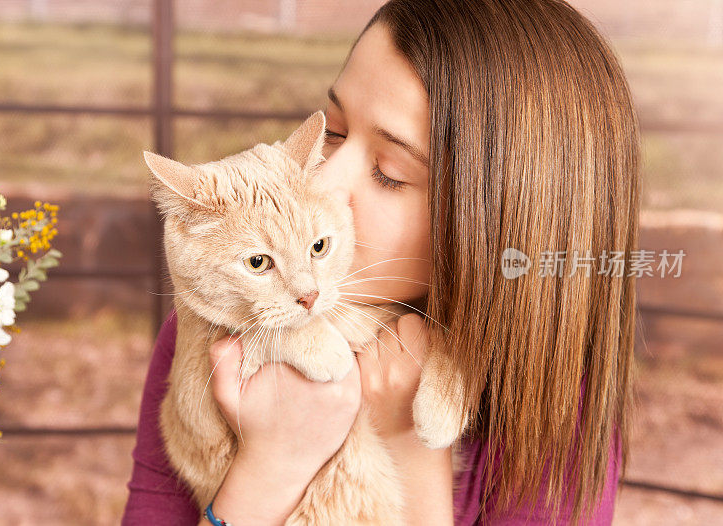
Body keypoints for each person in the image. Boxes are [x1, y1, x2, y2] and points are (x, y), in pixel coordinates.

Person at [123, 0, 639, 524]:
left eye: (389, 172)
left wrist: (407, 441)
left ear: (504, 221)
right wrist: (273, 464)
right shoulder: (227, 329)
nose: (323, 183)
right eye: (337, 132)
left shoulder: (551, 409)